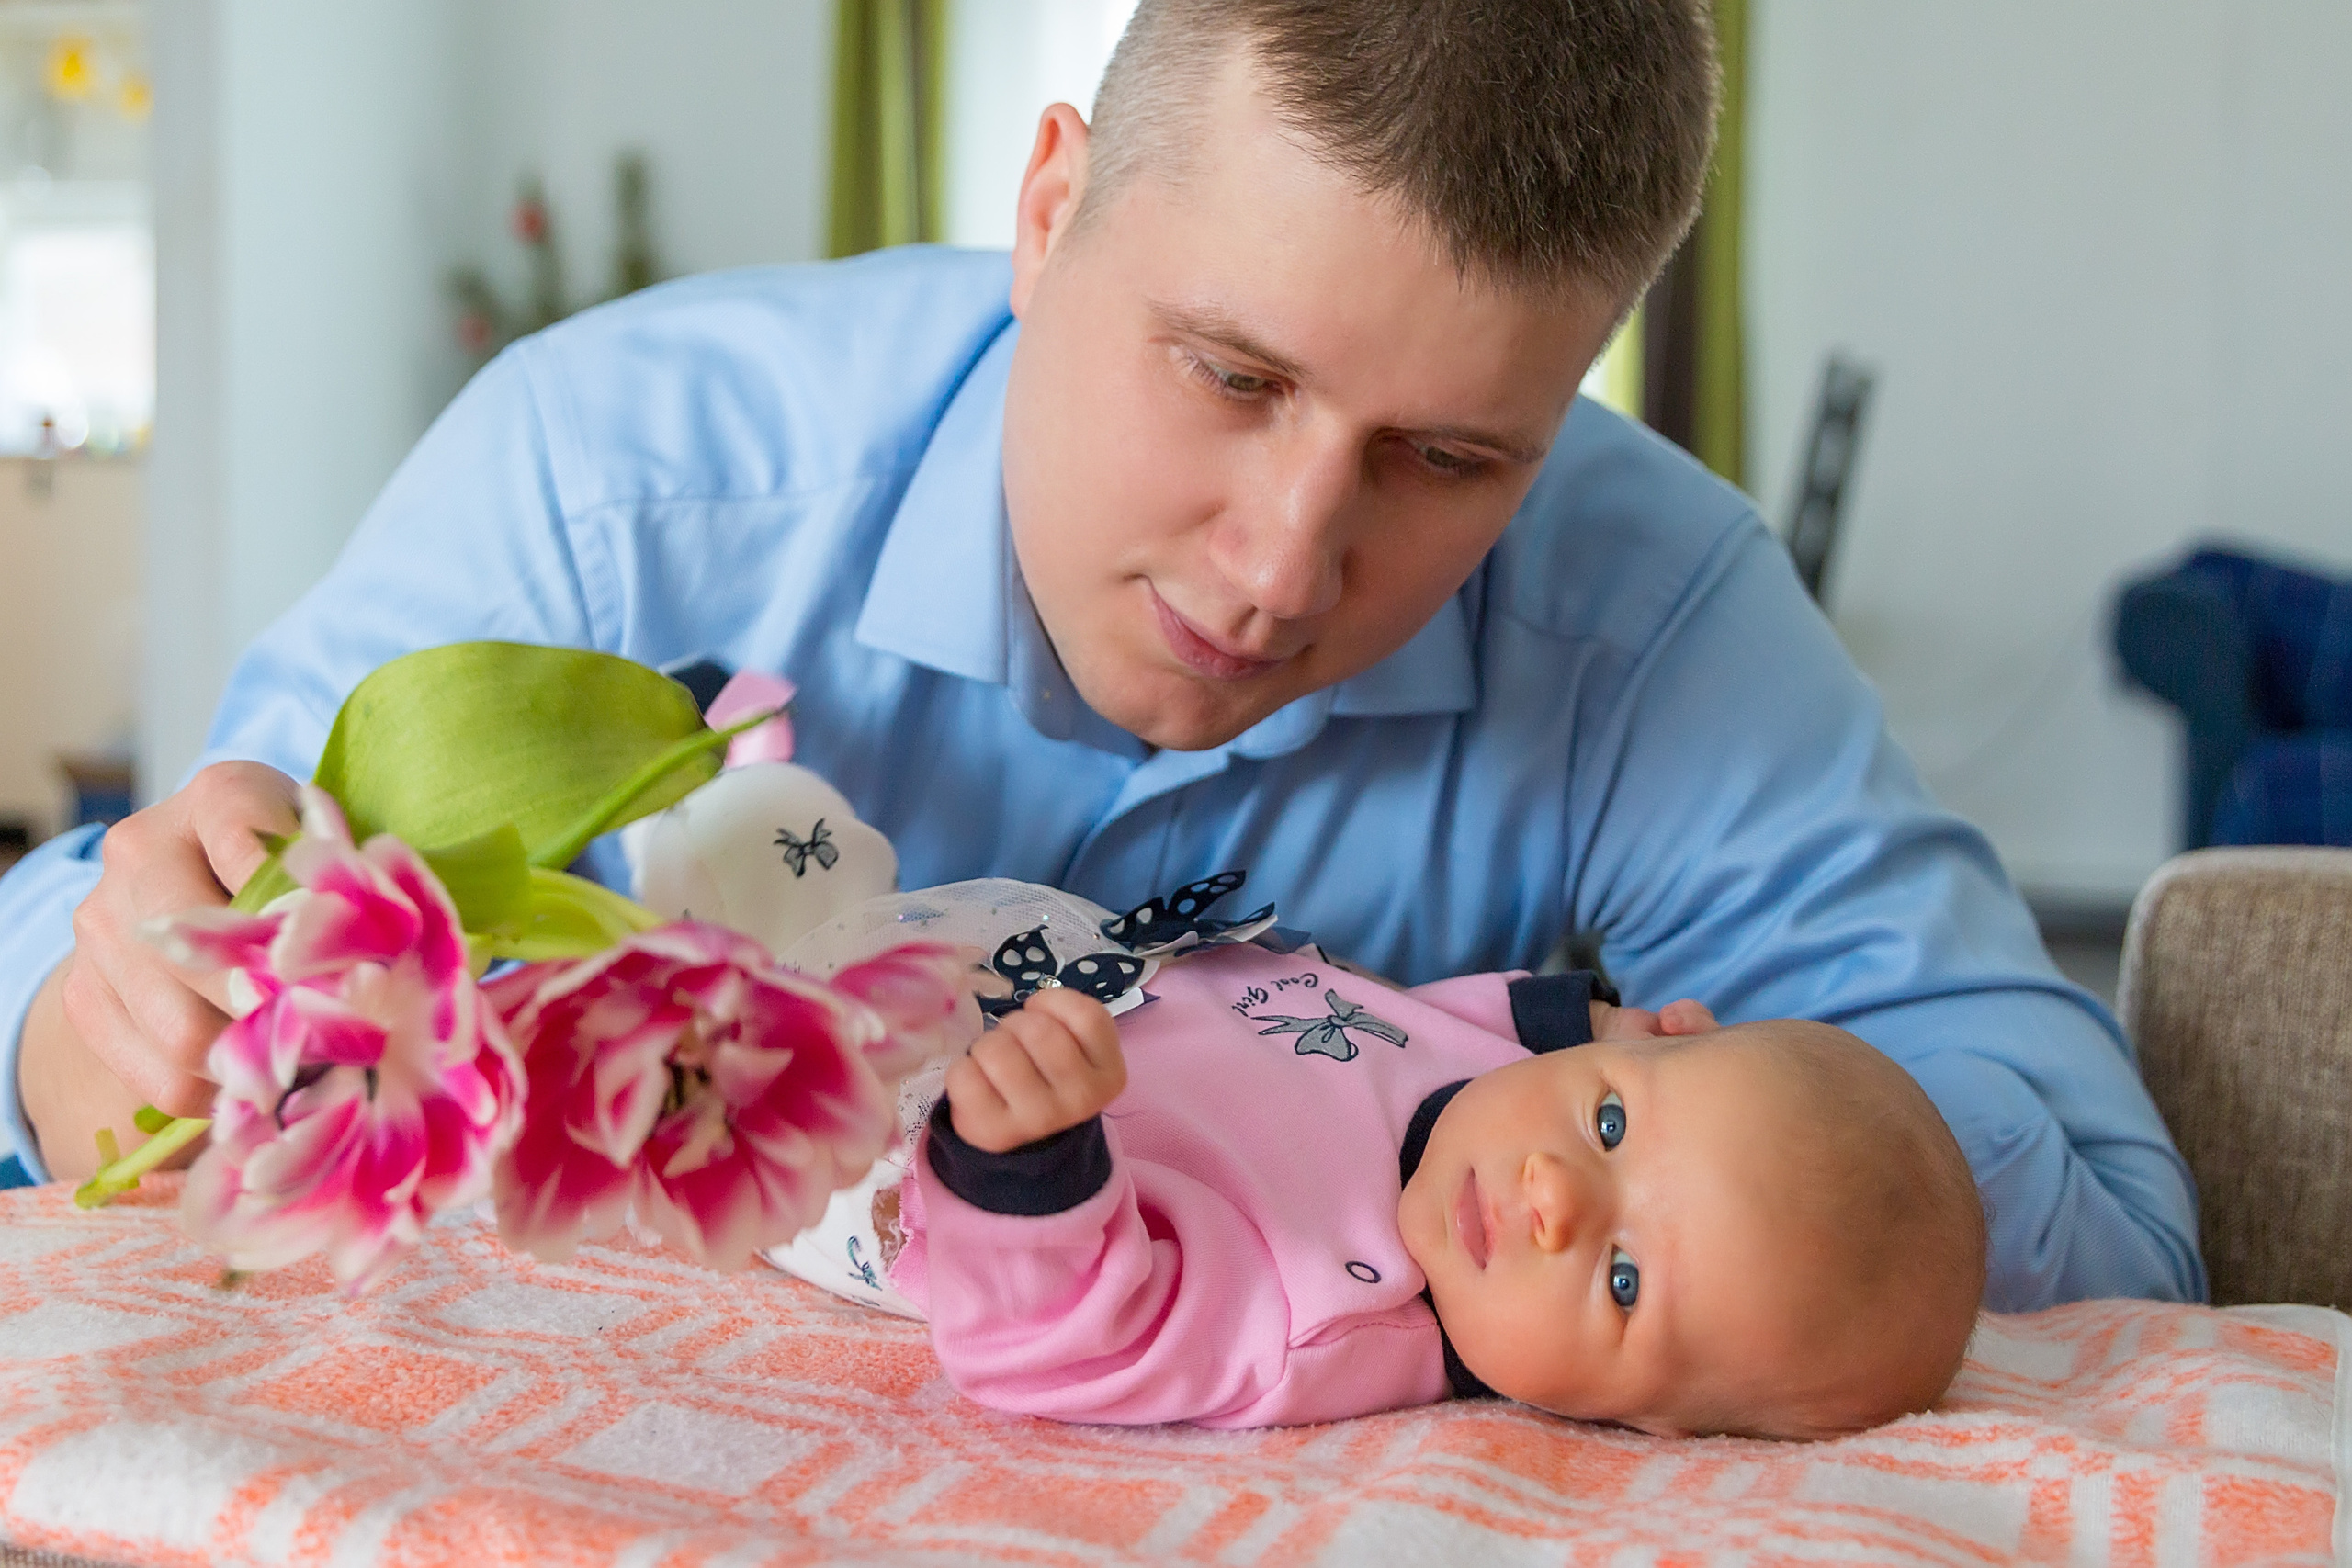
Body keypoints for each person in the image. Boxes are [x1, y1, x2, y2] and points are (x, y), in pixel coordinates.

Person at [0, 0, 2199, 1313]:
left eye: (1442, 457)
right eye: (1228, 374)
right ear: (1049, 207)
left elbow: (2100, 1220)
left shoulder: (1644, 609)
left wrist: (1632, 1135)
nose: (1280, 561)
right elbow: (128, 946)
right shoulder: (617, 484)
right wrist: (92, 1033)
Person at [895, 945, 1985, 1437]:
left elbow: (1070, 1342)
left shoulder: (1334, 1315)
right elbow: (1509, 1030)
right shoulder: (1506, 1081)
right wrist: (1598, 1031)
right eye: (1608, 1126)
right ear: (1665, 1034)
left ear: (1651, 1425)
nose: (1553, 1196)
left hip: (884, 1098)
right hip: (1022, 941)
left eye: (1621, 1279)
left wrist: (1020, 1156)